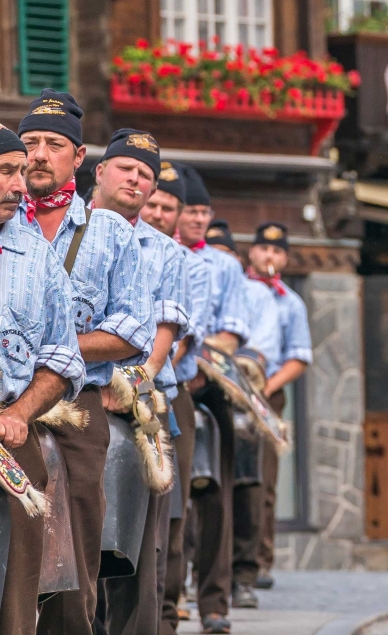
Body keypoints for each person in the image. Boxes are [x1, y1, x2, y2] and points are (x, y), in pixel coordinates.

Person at [18, 90, 154, 635]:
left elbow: (132, 331)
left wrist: (56, 346)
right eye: (30, 143)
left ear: (79, 159)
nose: (40, 154)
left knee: (75, 537)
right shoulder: (6, 226)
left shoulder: (111, 233)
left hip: (77, 404)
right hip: (4, 395)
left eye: (55, 144)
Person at [90, 129, 186, 635]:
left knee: (136, 551)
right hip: (68, 393)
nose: (135, 179)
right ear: (98, 170)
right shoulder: (63, 228)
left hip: (137, 401)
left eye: (145, 175)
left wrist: (127, 381)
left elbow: (162, 331)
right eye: (126, 168)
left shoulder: (166, 251)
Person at [0, 126, 86, 635]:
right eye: (6, 171)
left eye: (19, 172)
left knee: (19, 583)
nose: (19, 183)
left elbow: (63, 358)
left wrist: (19, 413)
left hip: (14, 434)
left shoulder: (38, 257)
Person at [176, 166, 251, 634]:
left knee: (217, 500)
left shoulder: (225, 264)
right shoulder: (160, 253)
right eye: (193, 210)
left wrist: (199, 365)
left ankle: (215, 603)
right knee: (173, 500)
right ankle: (174, 593)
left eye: (206, 211)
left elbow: (231, 330)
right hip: (169, 383)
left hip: (212, 387)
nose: (200, 218)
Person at [141, 161, 214, 635]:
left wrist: (145, 368)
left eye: (169, 207)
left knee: (172, 512)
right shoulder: (115, 245)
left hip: (169, 391)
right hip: (112, 387)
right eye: (154, 204)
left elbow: (184, 337)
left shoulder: (191, 264)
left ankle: (166, 614)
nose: (159, 213)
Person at [230, 222, 312, 606]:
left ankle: (259, 562)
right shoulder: (235, 289)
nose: (269, 256)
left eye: (277, 252)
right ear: (252, 252)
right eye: (263, 249)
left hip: (268, 393)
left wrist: (267, 387)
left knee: (261, 481)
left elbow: (299, 356)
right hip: (226, 387)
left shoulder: (290, 302)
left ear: (285, 258)